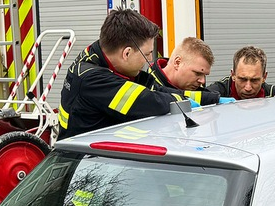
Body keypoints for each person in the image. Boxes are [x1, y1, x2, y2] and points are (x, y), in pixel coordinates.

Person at [58, 9, 194, 139]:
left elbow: (155, 89)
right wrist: (181, 101)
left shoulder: (96, 54)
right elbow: (150, 102)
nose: (150, 59)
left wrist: (209, 98)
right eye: (147, 54)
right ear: (126, 53)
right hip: (85, 159)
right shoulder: (93, 79)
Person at [207, 45, 275, 100]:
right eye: (242, 79)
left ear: (264, 77)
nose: (248, 87)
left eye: (254, 80)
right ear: (233, 75)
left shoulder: (271, 93)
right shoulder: (219, 90)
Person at [148, 36, 222, 106]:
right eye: (197, 73)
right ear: (177, 63)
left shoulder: (193, 89)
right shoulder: (148, 87)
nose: (202, 81)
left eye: (205, 75)